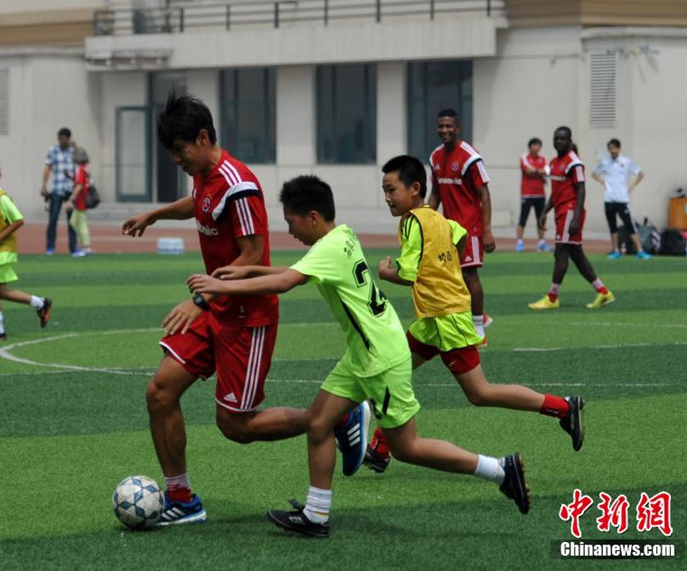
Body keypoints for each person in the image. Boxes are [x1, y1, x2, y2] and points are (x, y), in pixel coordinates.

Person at [188, 175, 530, 539]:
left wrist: (221, 286)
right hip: (366, 352)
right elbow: (296, 274)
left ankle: (500, 470)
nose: (290, 231)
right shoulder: (342, 236)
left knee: (407, 448)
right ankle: (316, 515)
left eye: (291, 222)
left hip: (378, 357)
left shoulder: (329, 248)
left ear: (314, 217)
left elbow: (286, 282)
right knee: (318, 423)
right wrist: (248, 270)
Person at [121, 93, 368, 527]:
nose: (177, 160)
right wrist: (156, 214)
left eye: (179, 151)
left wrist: (200, 299)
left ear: (202, 138)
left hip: (246, 318)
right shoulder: (203, 174)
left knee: (235, 426)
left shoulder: (240, 185)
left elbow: (252, 256)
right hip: (217, 308)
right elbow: (196, 204)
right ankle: (182, 499)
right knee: (159, 392)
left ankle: (338, 415)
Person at [362, 155, 584, 474]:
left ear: (414, 189)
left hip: (446, 319)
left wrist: (385, 271)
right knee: (392, 373)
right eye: (383, 190)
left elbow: (407, 272)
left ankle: (564, 408)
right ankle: (382, 447)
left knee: (480, 393)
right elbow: (460, 235)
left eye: (391, 190)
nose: (386, 197)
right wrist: (445, 268)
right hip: (433, 320)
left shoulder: (411, 222)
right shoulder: (438, 218)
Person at [529, 127, 615, 311]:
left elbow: (581, 189)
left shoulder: (574, 163)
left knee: (560, 252)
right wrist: (545, 210)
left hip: (570, 212)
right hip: (561, 211)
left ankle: (552, 297)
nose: (558, 141)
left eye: (562, 138)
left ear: (569, 141)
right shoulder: (553, 163)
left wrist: (576, 217)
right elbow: (556, 191)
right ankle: (603, 292)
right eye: (556, 138)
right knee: (576, 254)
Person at [429, 109, 494, 344]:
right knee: (450, 275)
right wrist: (424, 218)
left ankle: (479, 329)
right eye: (441, 126)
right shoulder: (435, 156)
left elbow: (484, 195)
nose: (444, 130)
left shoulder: (470, 157)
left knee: (469, 274)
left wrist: (487, 230)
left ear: (458, 128)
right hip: (449, 229)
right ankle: (480, 317)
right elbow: (436, 192)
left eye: (449, 126)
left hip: (470, 228)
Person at [0, 158, 52, 341]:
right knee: (0, 291)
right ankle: (40, 303)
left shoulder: (2, 198)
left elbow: (18, 220)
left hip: (5, 249)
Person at [591, 139, 650, 259]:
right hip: (609, 199)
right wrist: (603, 182)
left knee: (629, 225)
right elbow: (594, 174)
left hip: (622, 199)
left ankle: (640, 250)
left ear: (618, 148)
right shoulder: (605, 162)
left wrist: (632, 185)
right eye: (610, 148)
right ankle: (615, 250)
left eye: (613, 148)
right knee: (612, 225)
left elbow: (640, 173)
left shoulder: (627, 162)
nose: (612, 150)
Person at [41, 127, 78, 255]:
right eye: (59, 139)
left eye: (63, 139)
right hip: (57, 188)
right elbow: (47, 167)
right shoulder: (53, 150)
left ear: (68, 139)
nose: (60, 141)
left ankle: (73, 248)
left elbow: (80, 167)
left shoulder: (74, 151)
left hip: (70, 189)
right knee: (53, 220)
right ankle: (50, 247)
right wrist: (44, 185)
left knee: (72, 221)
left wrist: (75, 144)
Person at [516, 138, 551, 253]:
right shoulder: (524, 157)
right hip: (527, 194)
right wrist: (539, 172)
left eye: (539, 146)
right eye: (535, 145)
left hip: (540, 194)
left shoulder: (542, 159)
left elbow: (546, 171)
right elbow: (528, 171)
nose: (537, 148)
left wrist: (538, 171)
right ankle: (520, 242)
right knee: (523, 218)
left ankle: (541, 243)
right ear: (530, 146)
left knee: (540, 219)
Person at [67, 147, 92, 257]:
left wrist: (71, 199)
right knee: (75, 222)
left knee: (80, 223)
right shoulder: (83, 169)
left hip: (80, 200)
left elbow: (79, 185)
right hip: (81, 199)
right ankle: (84, 246)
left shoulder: (80, 169)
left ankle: (86, 247)